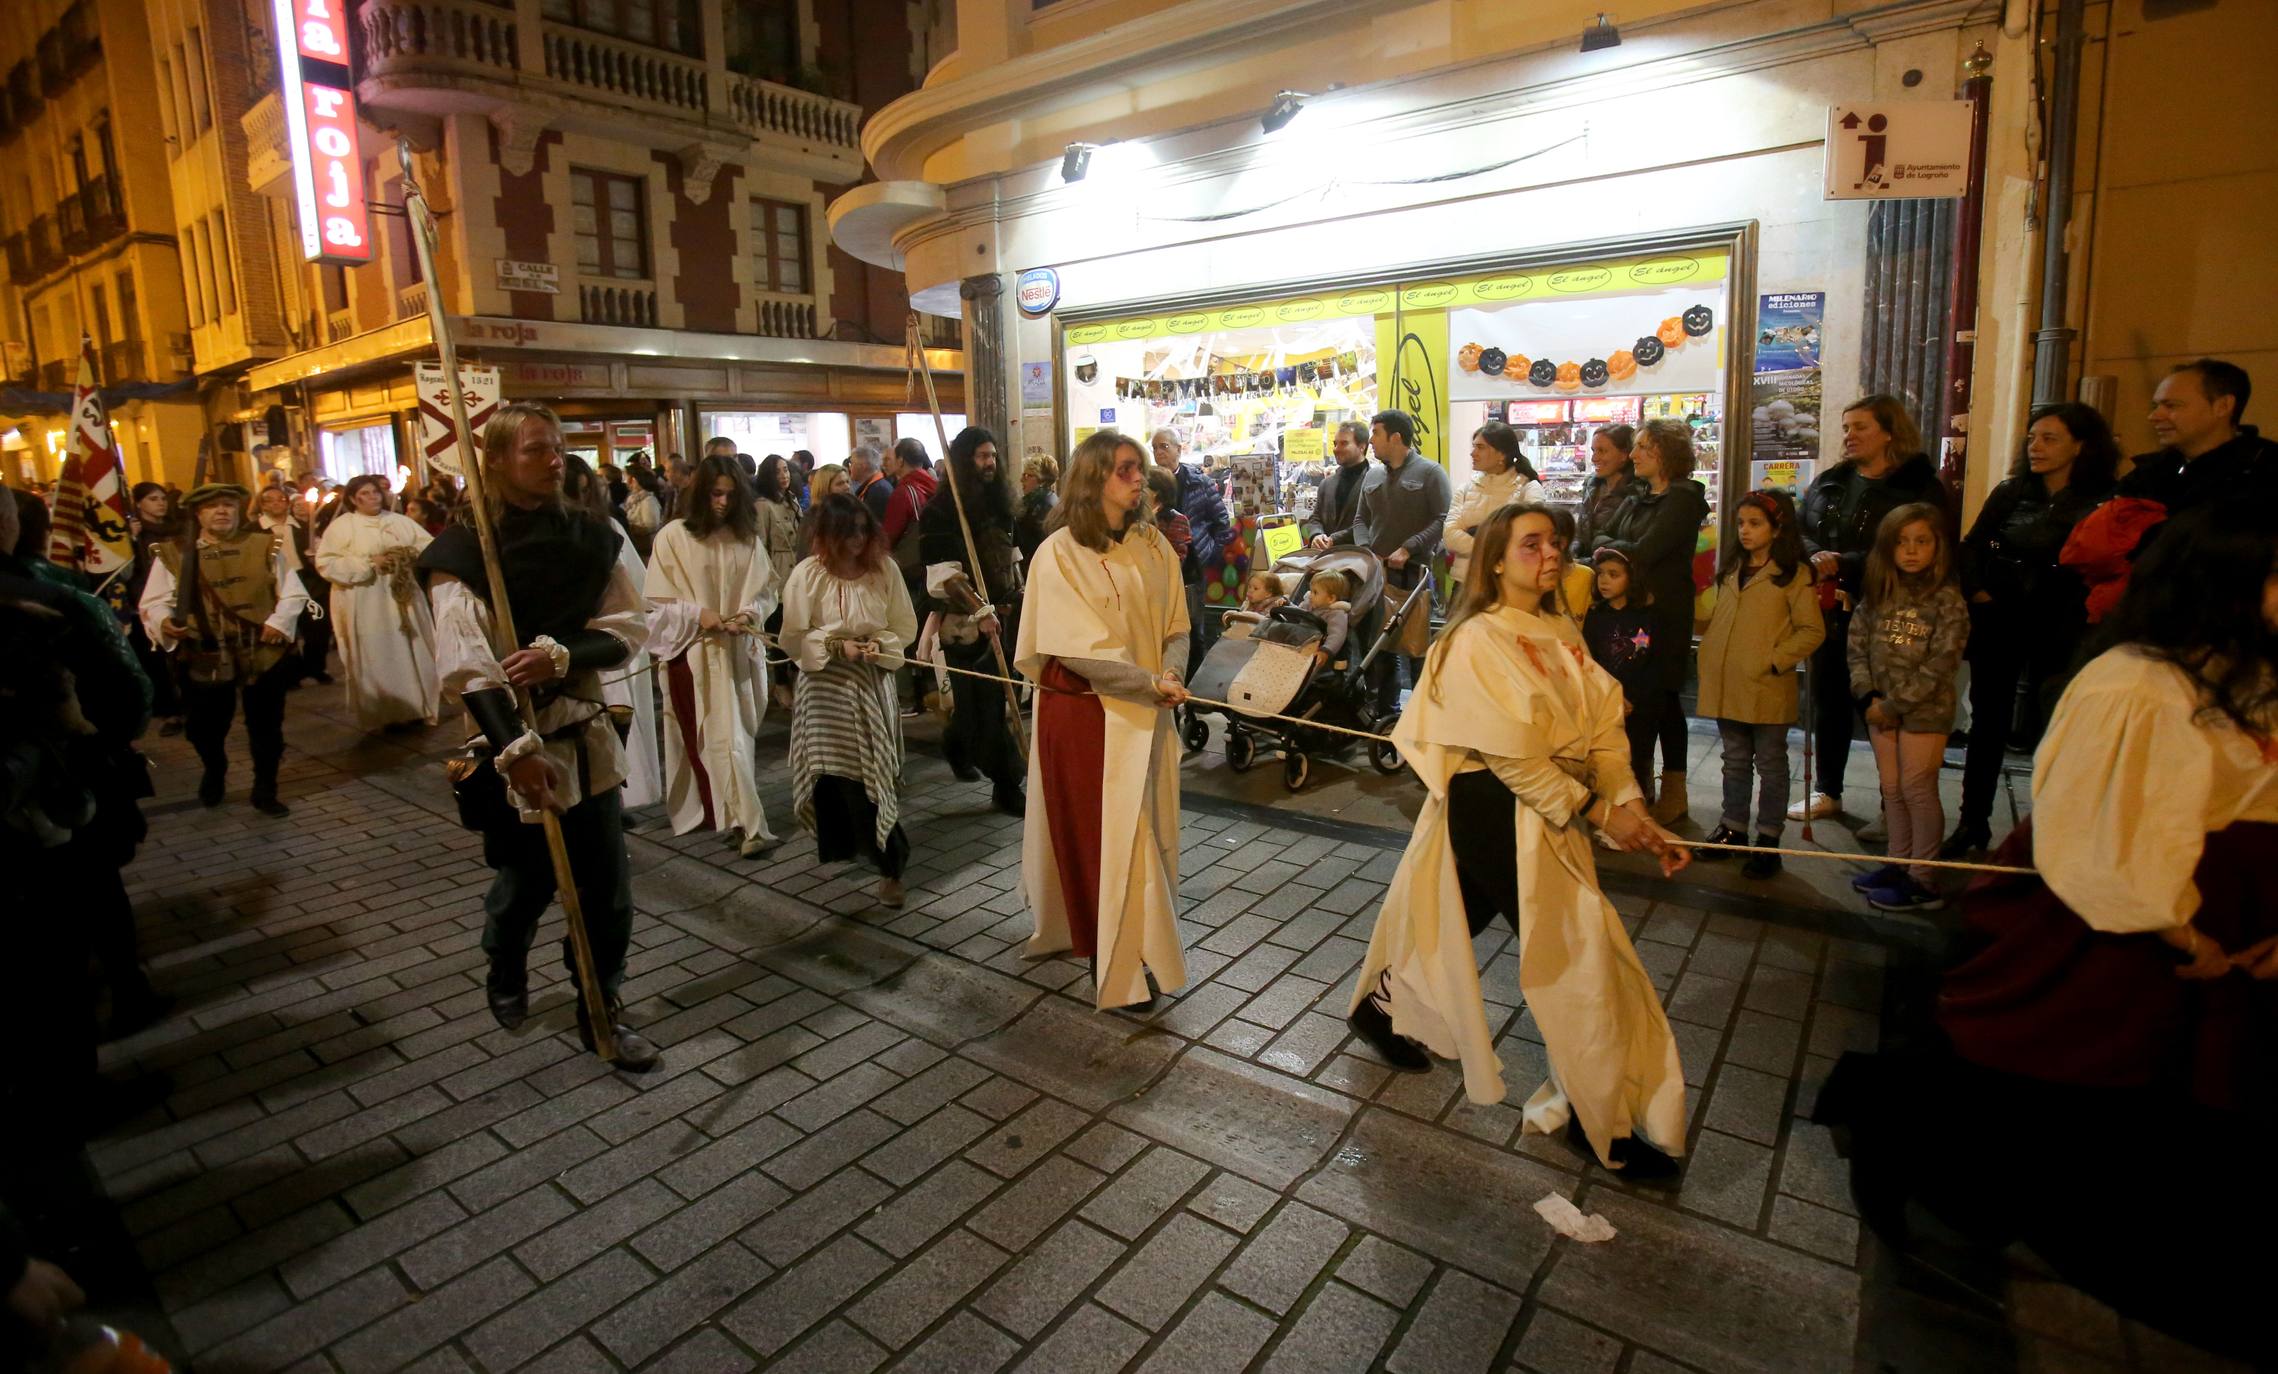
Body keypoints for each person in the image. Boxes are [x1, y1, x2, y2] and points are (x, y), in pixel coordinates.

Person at [1817, 501, 2277, 1362]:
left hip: (2225, 912)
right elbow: (2101, 840)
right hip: (2137, 921)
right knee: (2055, 1075)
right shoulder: (2135, 684)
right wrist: (2178, 928)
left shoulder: (2249, 674)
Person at [1343, 503, 1691, 1177]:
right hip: (1496, 807)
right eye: (1532, 544)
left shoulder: (1561, 628)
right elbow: (1508, 756)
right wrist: (1595, 809)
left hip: (1544, 806)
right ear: (1496, 560)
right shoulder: (1475, 638)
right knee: (1576, 957)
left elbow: (1601, 731)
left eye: (1555, 542)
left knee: (1455, 914)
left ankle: (1382, 1014)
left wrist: (1632, 807)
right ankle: (1598, 1122)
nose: (1551, 553)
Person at [419, 402, 660, 1070]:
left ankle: (599, 1006)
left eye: (557, 449)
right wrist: (515, 752)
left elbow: (628, 627)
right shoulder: (465, 551)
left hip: (582, 734)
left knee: (606, 888)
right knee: (525, 883)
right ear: (495, 459)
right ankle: (505, 963)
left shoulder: (593, 534)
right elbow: (465, 665)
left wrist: (564, 657)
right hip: (508, 741)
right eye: (535, 450)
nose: (555, 461)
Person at [1017, 429, 1190, 1013]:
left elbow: (1177, 623)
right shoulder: (1060, 553)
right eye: (1124, 469)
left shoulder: (1151, 543)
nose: (1139, 477)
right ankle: (1113, 961)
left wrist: (1169, 670)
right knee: (1109, 838)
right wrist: (1147, 683)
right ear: (1093, 478)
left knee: (1148, 832)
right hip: (1088, 718)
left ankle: (1144, 949)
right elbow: (1073, 650)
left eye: (1139, 468)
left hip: (1148, 710)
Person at [1946, 402, 2118, 856]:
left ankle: (2048, 836)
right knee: (1987, 725)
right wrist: (1980, 593)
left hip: (2062, 626)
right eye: (2032, 438)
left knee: (2054, 726)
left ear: (2081, 445)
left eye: (2050, 438)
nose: (2036, 447)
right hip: (2001, 620)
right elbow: (1972, 545)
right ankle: (1972, 824)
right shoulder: (2011, 492)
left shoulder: (2102, 500)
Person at [1793, 395, 1948, 823]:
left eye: (1859, 427)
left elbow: (1918, 545)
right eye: (1846, 427)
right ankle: (1828, 789)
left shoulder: (1917, 486)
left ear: (1888, 431)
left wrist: (1846, 562)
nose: (1849, 435)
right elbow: (1801, 527)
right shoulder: (1832, 480)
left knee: (1880, 703)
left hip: (1889, 608)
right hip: (1831, 605)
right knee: (1828, 698)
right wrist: (1815, 555)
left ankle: (1892, 801)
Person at [780, 494, 919, 907]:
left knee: (871, 778)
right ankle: (850, 849)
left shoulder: (884, 571)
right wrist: (836, 647)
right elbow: (792, 635)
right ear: (829, 534)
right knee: (836, 778)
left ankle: (892, 863)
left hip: (869, 686)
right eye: (848, 531)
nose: (858, 540)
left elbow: (904, 625)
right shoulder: (808, 574)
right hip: (825, 692)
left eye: (863, 529)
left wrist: (880, 644)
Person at [2062, 357, 2276, 624]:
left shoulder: (2262, 472)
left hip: (2212, 624)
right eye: (2156, 406)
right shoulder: (2154, 469)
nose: (2155, 416)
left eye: (2171, 406)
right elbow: (2090, 528)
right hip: (2133, 616)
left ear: (2223, 406)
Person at [139, 482, 309, 816]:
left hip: (260, 649)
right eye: (212, 506)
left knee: (266, 726)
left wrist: (279, 622)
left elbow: (293, 592)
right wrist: (163, 622)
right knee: (205, 727)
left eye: (228, 505)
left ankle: (265, 789)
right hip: (206, 653)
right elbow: (154, 601)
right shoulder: (174, 552)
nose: (221, 511)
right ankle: (214, 768)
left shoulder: (264, 545)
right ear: (198, 513)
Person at [647, 452, 778, 856]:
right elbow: (655, 603)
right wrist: (699, 614)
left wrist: (749, 612)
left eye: (729, 495)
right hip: (694, 656)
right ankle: (746, 824)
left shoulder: (747, 540)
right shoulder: (673, 537)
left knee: (736, 739)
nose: (721, 502)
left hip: (739, 654)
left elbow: (766, 590)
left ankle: (733, 815)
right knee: (719, 738)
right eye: (715, 494)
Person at [1693, 491, 1824, 878]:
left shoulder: (1794, 574)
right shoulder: (1733, 566)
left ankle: (1768, 838)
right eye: (1741, 523)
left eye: (1755, 523)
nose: (1745, 531)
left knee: (1770, 762)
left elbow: (1811, 630)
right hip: (1728, 680)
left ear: (1777, 527)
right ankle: (1733, 827)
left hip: (1766, 684)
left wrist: (1774, 659)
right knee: (1734, 759)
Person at [1845, 503, 1968, 913]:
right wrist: (1869, 695)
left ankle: (1923, 877)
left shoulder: (1948, 601)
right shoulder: (1880, 594)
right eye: (1902, 542)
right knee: (1892, 789)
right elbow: (1857, 643)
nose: (1911, 550)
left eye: (1922, 541)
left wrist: (1896, 704)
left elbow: (1941, 663)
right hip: (1880, 709)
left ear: (1938, 546)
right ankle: (1897, 864)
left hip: (1923, 713)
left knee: (1917, 788)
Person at [1594, 419, 1709, 824]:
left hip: (1664, 615)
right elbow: (1598, 535)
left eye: (1644, 446)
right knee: (1632, 698)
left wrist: (1614, 549)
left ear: (1665, 453)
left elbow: (1645, 550)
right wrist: (1615, 549)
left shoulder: (1681, 500)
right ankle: (1636, 787)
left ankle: (1672, 788)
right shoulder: (1638, 495)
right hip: (1631, 613)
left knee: (1664, 698)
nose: (1635, 453)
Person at [920, 425, 1025, 816]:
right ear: (965, 461)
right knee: (977, 710)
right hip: (965, 627)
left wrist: (1018, 596)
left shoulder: (1001, 505)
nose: (990, 463)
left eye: (993, 456)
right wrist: (980, 610)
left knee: (994, 705)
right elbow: (942, 576)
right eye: (982, 456)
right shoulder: (942, 511)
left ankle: (991, 773)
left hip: (1004, 620)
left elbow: (1011, 559)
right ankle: (1006, 780)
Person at [1332, 410, 1453, 719]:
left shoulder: (1430, 473)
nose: (1370, 441)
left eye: (1375, 434)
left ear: (1396, 437)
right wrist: (1365, 551)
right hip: (1376, 576)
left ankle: (1427, 716)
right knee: (1381, 648)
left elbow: (1443, 520)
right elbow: (1362, 520)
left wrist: (1409, 548)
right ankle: (1387, 713)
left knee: (1416, 650)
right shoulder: (1372, 476)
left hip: (1415, 577)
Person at [565, 455, 662, 811]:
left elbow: (635, 589)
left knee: (615, 716)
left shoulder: (605, 529)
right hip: (567, 648)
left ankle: (620, 791)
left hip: (606, 640)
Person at [316, 473, 442, 732]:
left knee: (412, 646)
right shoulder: (342, 527)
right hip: (366, 601)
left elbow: (428, 548)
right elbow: (327, 563)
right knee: (378, 653)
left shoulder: (399, 521)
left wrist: (407, 556)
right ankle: (387, 713)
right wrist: (369, 563)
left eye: (375, 492)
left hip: (403, 598)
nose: (372, 497)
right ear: (353, 499)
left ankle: (419, 707)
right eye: (364, 494)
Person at [1150, 428, 1237, 671]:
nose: (1158, 452)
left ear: (1179, 448)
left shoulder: (1199, 482)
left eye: (1164, 446)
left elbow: (1222, 524)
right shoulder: (1150, 482)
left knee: (1192, 627)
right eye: (1155, 447)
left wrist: (1208, 553)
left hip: (1192, 568)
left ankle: (1196, 685)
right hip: (1158, 571)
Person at [1581, 549, 1658, 803]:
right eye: (1601, 574)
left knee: (1637, 757)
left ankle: (1638, 808)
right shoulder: (1595, 616)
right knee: (1606, 756)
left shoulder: (1647, 616)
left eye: (1614, 574)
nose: (1604, 580)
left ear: (1631, 577)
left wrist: (1632, 697)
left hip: (1638, 703)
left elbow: (1650, 661)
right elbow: (1591, 661)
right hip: (1604, 701)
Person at [1443, 420, 1547, 588]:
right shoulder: (1465, 490)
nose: (1472, 453)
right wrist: (1497, 543)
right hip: (1465, 583)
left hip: (1507, 585)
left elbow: (1528, 535)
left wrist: (1475, 533)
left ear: (1502, 454)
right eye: (1473, 446)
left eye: (1481, 447)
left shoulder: (1528, 488)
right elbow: (1450, 536)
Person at [255, 483, 335, 688]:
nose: (276, 504)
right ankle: (290, 672)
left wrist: (314, 557)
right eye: (269, 500)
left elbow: (319, 549)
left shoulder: (302, 527)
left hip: (308, 582)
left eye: (281, 499)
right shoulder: (255, 531)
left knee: (317, 628)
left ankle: (315, 667)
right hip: (278, 584)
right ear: (262, 505)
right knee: (286, 628)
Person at [126, 481, 185, 730]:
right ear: (138, 503)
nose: (160, 503)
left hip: (178, 595)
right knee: (157, 660)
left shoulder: (177, 529)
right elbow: (129, 568)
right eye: (152, 499)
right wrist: (130, 538)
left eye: (162, 498)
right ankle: (168, 710)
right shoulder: (135, 534)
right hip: (147, 597)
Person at [753, 454, 803, 710]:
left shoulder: (792, 500)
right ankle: (781, 683)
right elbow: (760, 544)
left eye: (786, 470)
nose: (784, 475)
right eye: (778, 472)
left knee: (797, 627)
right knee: (779, 629)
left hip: (797, 571)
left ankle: (796, 680)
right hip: (778, 571)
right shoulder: (763, 505)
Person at [1304, 420, 1371, 548]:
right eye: (1335, 443)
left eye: (1344, 443)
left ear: (1362, 446)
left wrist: (1335, 539)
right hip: (1326, 560)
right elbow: (1314, 519)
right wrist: (1316, 535)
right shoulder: (1327, 483)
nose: (1336, 449)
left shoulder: (1374, 482)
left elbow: (1370, 523)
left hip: (1358, 558)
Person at [1573, 424, 1636, 555]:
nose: (1594, 458)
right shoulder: (1591, 485)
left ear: (1624, 454)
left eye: (1602, 451)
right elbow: (1582, 534)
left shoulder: (1637, 491)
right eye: (1593, 450)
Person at [1302, 568, 1353, 670]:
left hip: (1317, 647)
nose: (1310, 595)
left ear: (1331, 599)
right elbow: (1297, 614)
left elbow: (1337, 635)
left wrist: (1325, 651)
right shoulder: (1309, 605)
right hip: (1301, 641)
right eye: (1310, 591)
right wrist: (1288, 605)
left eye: (1315, 592)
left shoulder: (1336, 614)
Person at [1016, 454, 1059, 570]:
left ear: (1041, 480)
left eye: (1026, 476)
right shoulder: (1047, 500)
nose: (1021, 480)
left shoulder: (1042, 507)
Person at [623, 464, 664, 558]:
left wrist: (631, 527)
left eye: (627, 478)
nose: (626, 482)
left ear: (635, 480)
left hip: (645, 548)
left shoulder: (648, 500)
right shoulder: (632, 499)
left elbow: (651, 525)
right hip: (636, 546)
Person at [849, 442, 894, 523]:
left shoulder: (879, 491)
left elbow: (873, 526)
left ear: (863, 466)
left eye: (851, 463)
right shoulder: (876, 486)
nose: (850, 467)